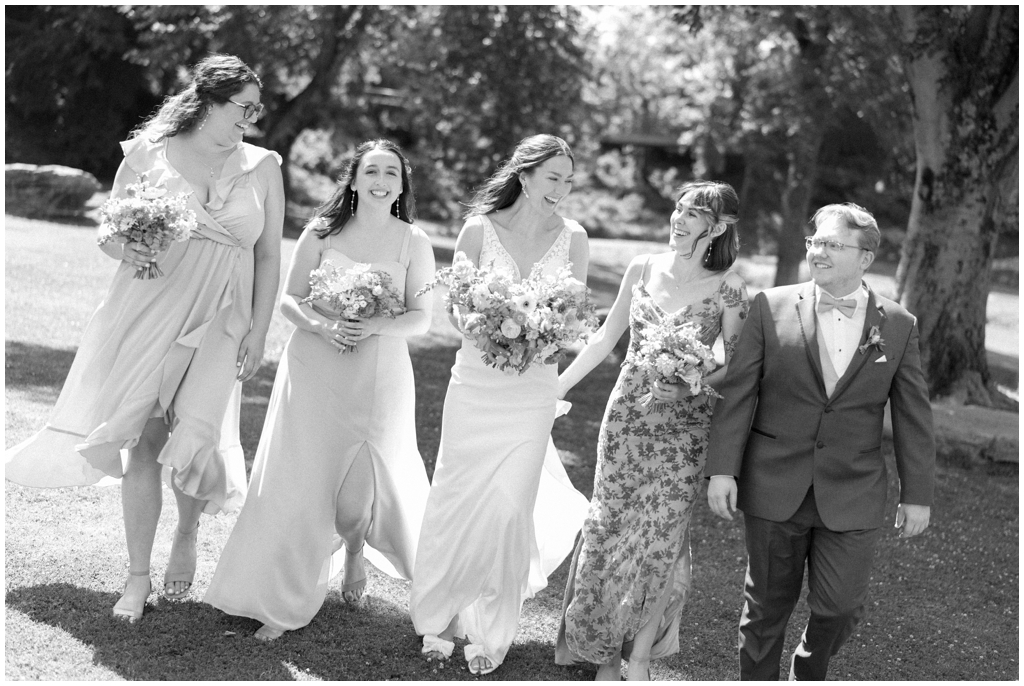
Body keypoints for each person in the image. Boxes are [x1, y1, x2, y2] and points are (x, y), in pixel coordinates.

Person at [5, 54, 284, 621]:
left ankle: (186, 531)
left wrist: (259, 326)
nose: (252, 119)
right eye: (244, 107)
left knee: (195, 433)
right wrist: (126, 247)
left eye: (257, 110)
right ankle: (136, 577)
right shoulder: (146, 155)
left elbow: (269, 251)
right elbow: (110, 230)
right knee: (147, 443)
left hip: (223, 316)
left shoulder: (264, 166)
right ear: (208, 101)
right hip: (150, 307)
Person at [205, 139, 434, 640]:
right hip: (313, 368)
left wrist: (374, 327)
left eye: (391, 174)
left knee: (354, 504)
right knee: (300, 482)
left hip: (378, 376)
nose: (380, 182)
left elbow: (421, 319)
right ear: (353, 180)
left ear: (402, 184)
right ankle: (278, 599)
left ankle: (353, 551)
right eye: (371, 172)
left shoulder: (412, 241)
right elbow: (290, 299)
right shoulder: (322, 231)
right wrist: (323, 327)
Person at [705, 202, 935, 680]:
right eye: (816, 242)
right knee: (766, 608)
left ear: (865, 258)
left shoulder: (897, 324)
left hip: (854, 488)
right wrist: (722, 469)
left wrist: (918, 496)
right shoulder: (771, 306)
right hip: (774, 481)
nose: (818, 251)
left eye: (833, 244)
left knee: (840, 607)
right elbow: (739, 391)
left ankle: (808, 673)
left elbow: (913, 415)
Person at [408, 134, 591, 676]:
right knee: (457, 498)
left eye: (568, 180)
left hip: (533, 389)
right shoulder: (478, 229)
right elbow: (456, 314)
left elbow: (572, 319)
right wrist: (490, 328)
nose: (561, 189)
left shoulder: (574, 238)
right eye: (553, 178)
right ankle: (439, 617)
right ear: (525, 174)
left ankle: (490, 629)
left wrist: (540, 336)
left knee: (511, 507)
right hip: (476, 384)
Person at [554, 181, 749, 681]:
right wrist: (554, 387)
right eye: (679, 208)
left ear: (719, 227)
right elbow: (605, 337)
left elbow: (739, 360)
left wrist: (691, 387)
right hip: (626, 422)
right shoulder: (641, 267)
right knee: (611, 529)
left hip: (684, 429)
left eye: (695, 213)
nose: (680, 219)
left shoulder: (729, 285)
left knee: (661, 538)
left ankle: (638, 658)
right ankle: (602, 654)